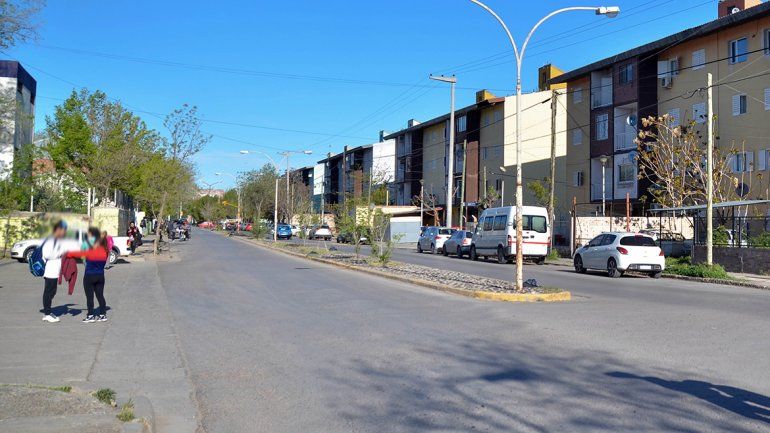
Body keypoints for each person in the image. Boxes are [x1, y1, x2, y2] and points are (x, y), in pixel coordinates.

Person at [66, 228, 109, 323]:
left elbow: (73, 253)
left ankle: (90, 315)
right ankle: (102, 315)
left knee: (90, 297)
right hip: (100, 276)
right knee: (100, 296)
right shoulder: (105, 251)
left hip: (89, 276)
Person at [41, 220, 68, 323]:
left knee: (53, 291)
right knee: (48, 292)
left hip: (55, 271)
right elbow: (46, 254)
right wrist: (59, 252)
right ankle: (47, 314)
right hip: (50, 270)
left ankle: (48, 311)